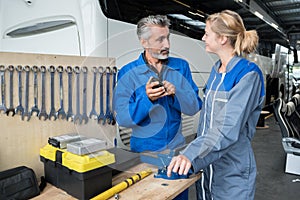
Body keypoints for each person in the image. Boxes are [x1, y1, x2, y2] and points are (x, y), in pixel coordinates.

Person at [167, 10, 265, 200]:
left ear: (222, 39)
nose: (203, 37)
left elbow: (227, 127)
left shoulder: (247, 75)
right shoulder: (216, 71)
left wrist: (191, 154)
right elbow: (207, 121)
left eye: (207, 33)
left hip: (231, 173)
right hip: (207, 170)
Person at [113, 15, 202, 199]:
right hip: (144, 157)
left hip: (176, 155)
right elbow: (123, 118)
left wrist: (176, 93)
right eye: (160, 39)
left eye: (168, 37)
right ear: (144, 42)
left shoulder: (181, 67)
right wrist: (146, 99)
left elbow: (194, 107)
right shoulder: (127, 73)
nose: (167, 44)